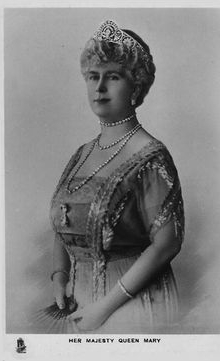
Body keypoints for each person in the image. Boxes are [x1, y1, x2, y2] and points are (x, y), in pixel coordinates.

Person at [38, 19, 184, 334]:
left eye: (113, 76)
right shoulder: (82, 153)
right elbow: (64, 221)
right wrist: (59, 277)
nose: (99, 87)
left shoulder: (152, 156)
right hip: (78, 305)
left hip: (132, 305)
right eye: (93, 76)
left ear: (137, 86)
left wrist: (104, 308)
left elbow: (167, 244)